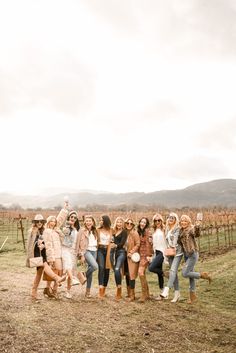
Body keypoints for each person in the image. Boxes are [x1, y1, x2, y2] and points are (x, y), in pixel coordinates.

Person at [26, 214, 65, 300]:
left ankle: (36, 292)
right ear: (35, 223)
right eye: (37, 222)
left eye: (41, 221)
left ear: (43, 222)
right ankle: (57, 278)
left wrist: (43, 245)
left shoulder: (45, 230)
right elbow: (30, 245)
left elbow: (47, 241)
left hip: (44, 254)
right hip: (37, 254)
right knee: (46, 268)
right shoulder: (32, 231)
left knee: (39, 275)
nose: (39, 223)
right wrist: (38, 244)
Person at [178, 214, 212, 304]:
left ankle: (203, 275)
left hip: (193, 254)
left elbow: (196, 233)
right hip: (186, 254)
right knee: (190, 276)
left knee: (185, 273)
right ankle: (192, 297)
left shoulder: (191, 229)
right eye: (182, 221)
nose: (183, 222)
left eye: (185, 221)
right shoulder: (180, 231)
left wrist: (198, 226)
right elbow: (180, 243)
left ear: (188, 222)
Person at [160, 212, 183, 303]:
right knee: (174, 274)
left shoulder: (177, 228)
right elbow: (166, 241)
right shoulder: (167, 229)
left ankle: (166, 290)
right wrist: (166, 252)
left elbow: (176, 239)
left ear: (176, 219)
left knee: (172, 271)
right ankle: (177, 294)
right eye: (169, 217)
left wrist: (173, 246)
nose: (171, 219)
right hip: (170, 253)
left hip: (177, 252)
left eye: (173, 217)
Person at [76, 215, 98, 298]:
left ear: (93, 222)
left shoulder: (95, 231)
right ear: (85, 222)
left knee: (91, 270)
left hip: (94, 251)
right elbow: (78, 243)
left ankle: (88, 291)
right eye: (87, 221)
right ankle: (84, 274)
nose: (88, 222)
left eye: (90, 221)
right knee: (95, 266)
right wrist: (81, 255)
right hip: (86, 251)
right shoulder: (82, 231)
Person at [60, 209, 80, 299]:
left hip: (73, 251)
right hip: (65, 248)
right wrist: (69, 225)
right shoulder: (66, 227)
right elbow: (65, 232)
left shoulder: (78, 229)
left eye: (75, 218)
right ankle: (73, 279)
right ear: (69, 218)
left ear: (76, 220)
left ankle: (68, 291)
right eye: (71, 217)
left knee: (70, 271)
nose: (73, 218)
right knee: (68, 264)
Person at [42, 215, 64, 298]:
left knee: (58, 272)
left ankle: (50, 289)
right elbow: (48, 245)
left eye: (54, 221)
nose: (53, 223)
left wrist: (59, 232)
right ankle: (51, 290)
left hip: (59, 253)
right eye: (51, 221)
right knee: (55, 272)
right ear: (48, 222)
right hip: (53, 254)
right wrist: (51, 258)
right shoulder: (47, 231)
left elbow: (62, 240)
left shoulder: (56, 230)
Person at [148, 214, 167, 299]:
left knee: (151, 268)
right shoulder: (154, 231)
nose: (157, 222)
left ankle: (165, 274)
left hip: (162, 252)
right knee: (159, 273)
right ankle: (163, 293)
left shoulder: (164, 229)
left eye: (159, 220)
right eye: (155, 221)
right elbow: (155, 243)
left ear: (161, 221)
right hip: (157, 252)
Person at [111, 217, 128, 300]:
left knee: (117, 269)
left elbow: (122, 242)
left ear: (123, 223)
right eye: (117, 222)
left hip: (121, 252)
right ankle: (118, 287)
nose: (119, 224)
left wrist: (116, 245)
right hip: (114, 253)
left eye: (120, 222)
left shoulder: (124, 232)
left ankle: (119, 289)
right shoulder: (113, 232)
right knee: (115, 271)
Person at [124, 217, 140, 302]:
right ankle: (129, 293)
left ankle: (133, 295)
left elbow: (138, 244)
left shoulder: (134, 233)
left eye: (131, 223)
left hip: (131, 257)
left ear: (133, 225)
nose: (129, 225)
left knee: (132, 275)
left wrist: (131, 252)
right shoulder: (124, 233)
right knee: (126, 274)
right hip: (124, 257)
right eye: (127, 223)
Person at [97, 215, 113, 299]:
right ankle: (100, 289)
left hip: (108, 251)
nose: (100, 221)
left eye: (102, 220)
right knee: (101, 267)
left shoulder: (111, 230)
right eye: (100, 220)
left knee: (107, 269)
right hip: (100, 250)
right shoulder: (97, 230)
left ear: (106, 221)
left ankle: (104, 289)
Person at [137, 217, 153, 302]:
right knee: (143, 274)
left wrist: (149, 255)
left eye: (144, 222)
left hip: (145, 255)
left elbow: (149, 244)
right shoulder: (139, 232)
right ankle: (147, 293)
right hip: (139, 255)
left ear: (146, 224)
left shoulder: (148, 232)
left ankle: (144, 295)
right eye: (141, 222)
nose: (142, 224)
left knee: (140, 272)